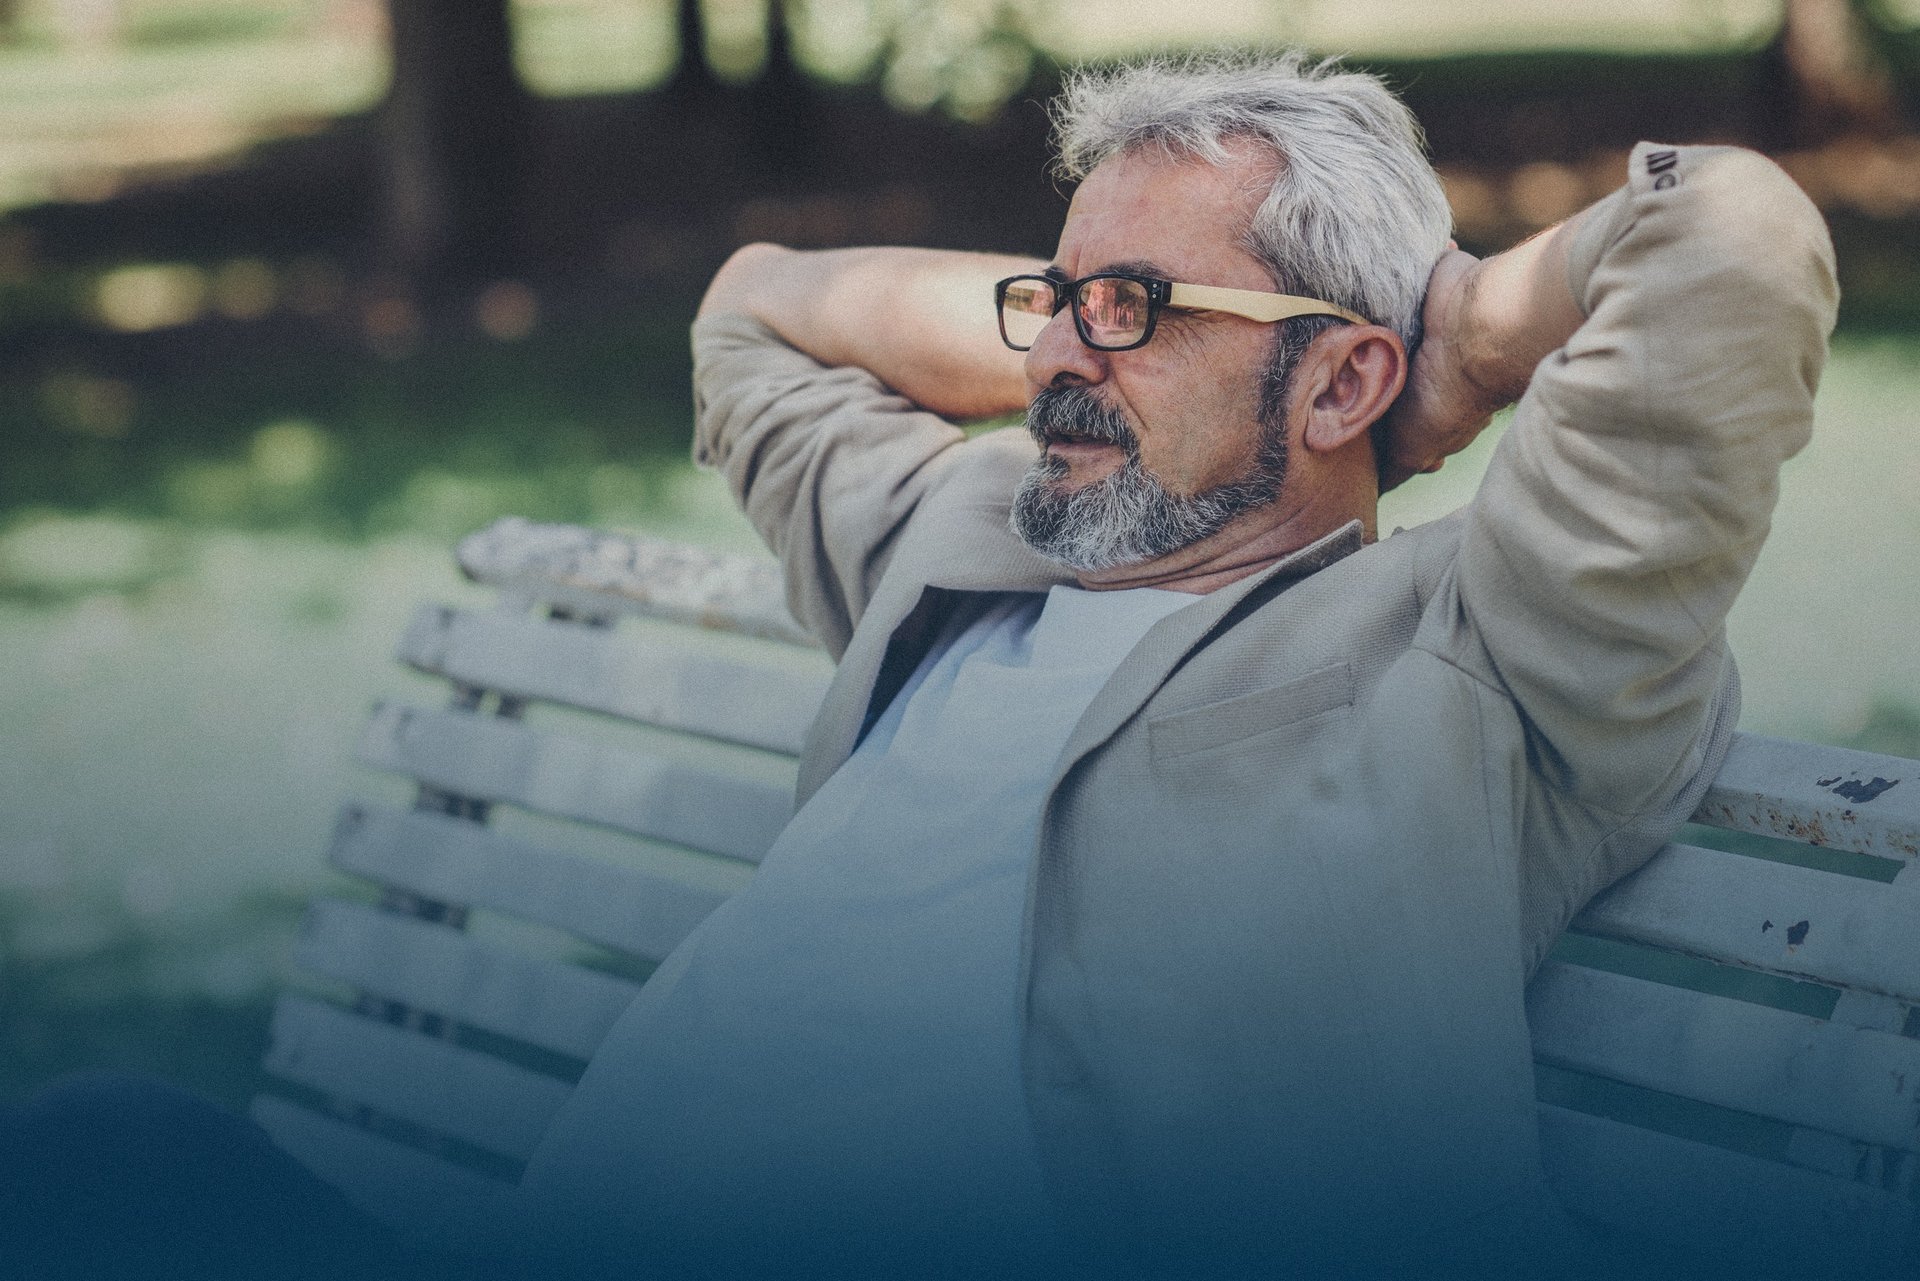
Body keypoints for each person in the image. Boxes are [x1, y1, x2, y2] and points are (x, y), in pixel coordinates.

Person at [510, 50, 1838, 1281]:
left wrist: (1459, 346)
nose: (1043, 359)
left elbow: (1730, 229)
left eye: (1133, 308)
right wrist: (1129, 333)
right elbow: (753, 306)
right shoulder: (967, 540)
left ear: (1343, 384)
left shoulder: (1483, 652)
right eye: (1054, 301)